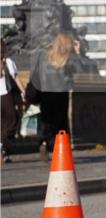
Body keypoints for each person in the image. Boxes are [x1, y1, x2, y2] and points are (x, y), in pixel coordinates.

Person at [30, 32, 83, 161]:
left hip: (45, 94)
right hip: (60, 95)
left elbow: (36, 74)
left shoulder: (45, 56)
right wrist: (78, 52)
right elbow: (80, 70)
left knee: (46, 121)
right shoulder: (67, 59)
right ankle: (57, 149)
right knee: (60, 124)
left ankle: (44, 142)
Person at [1, 40, 27, 163]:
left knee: (3, 125)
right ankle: (1, 147)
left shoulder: (7, 62)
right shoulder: (8, 62)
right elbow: (16, 78)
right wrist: (23, 91)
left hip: (5, 96)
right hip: (5, 97)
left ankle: (3, 152)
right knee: (12, 123)